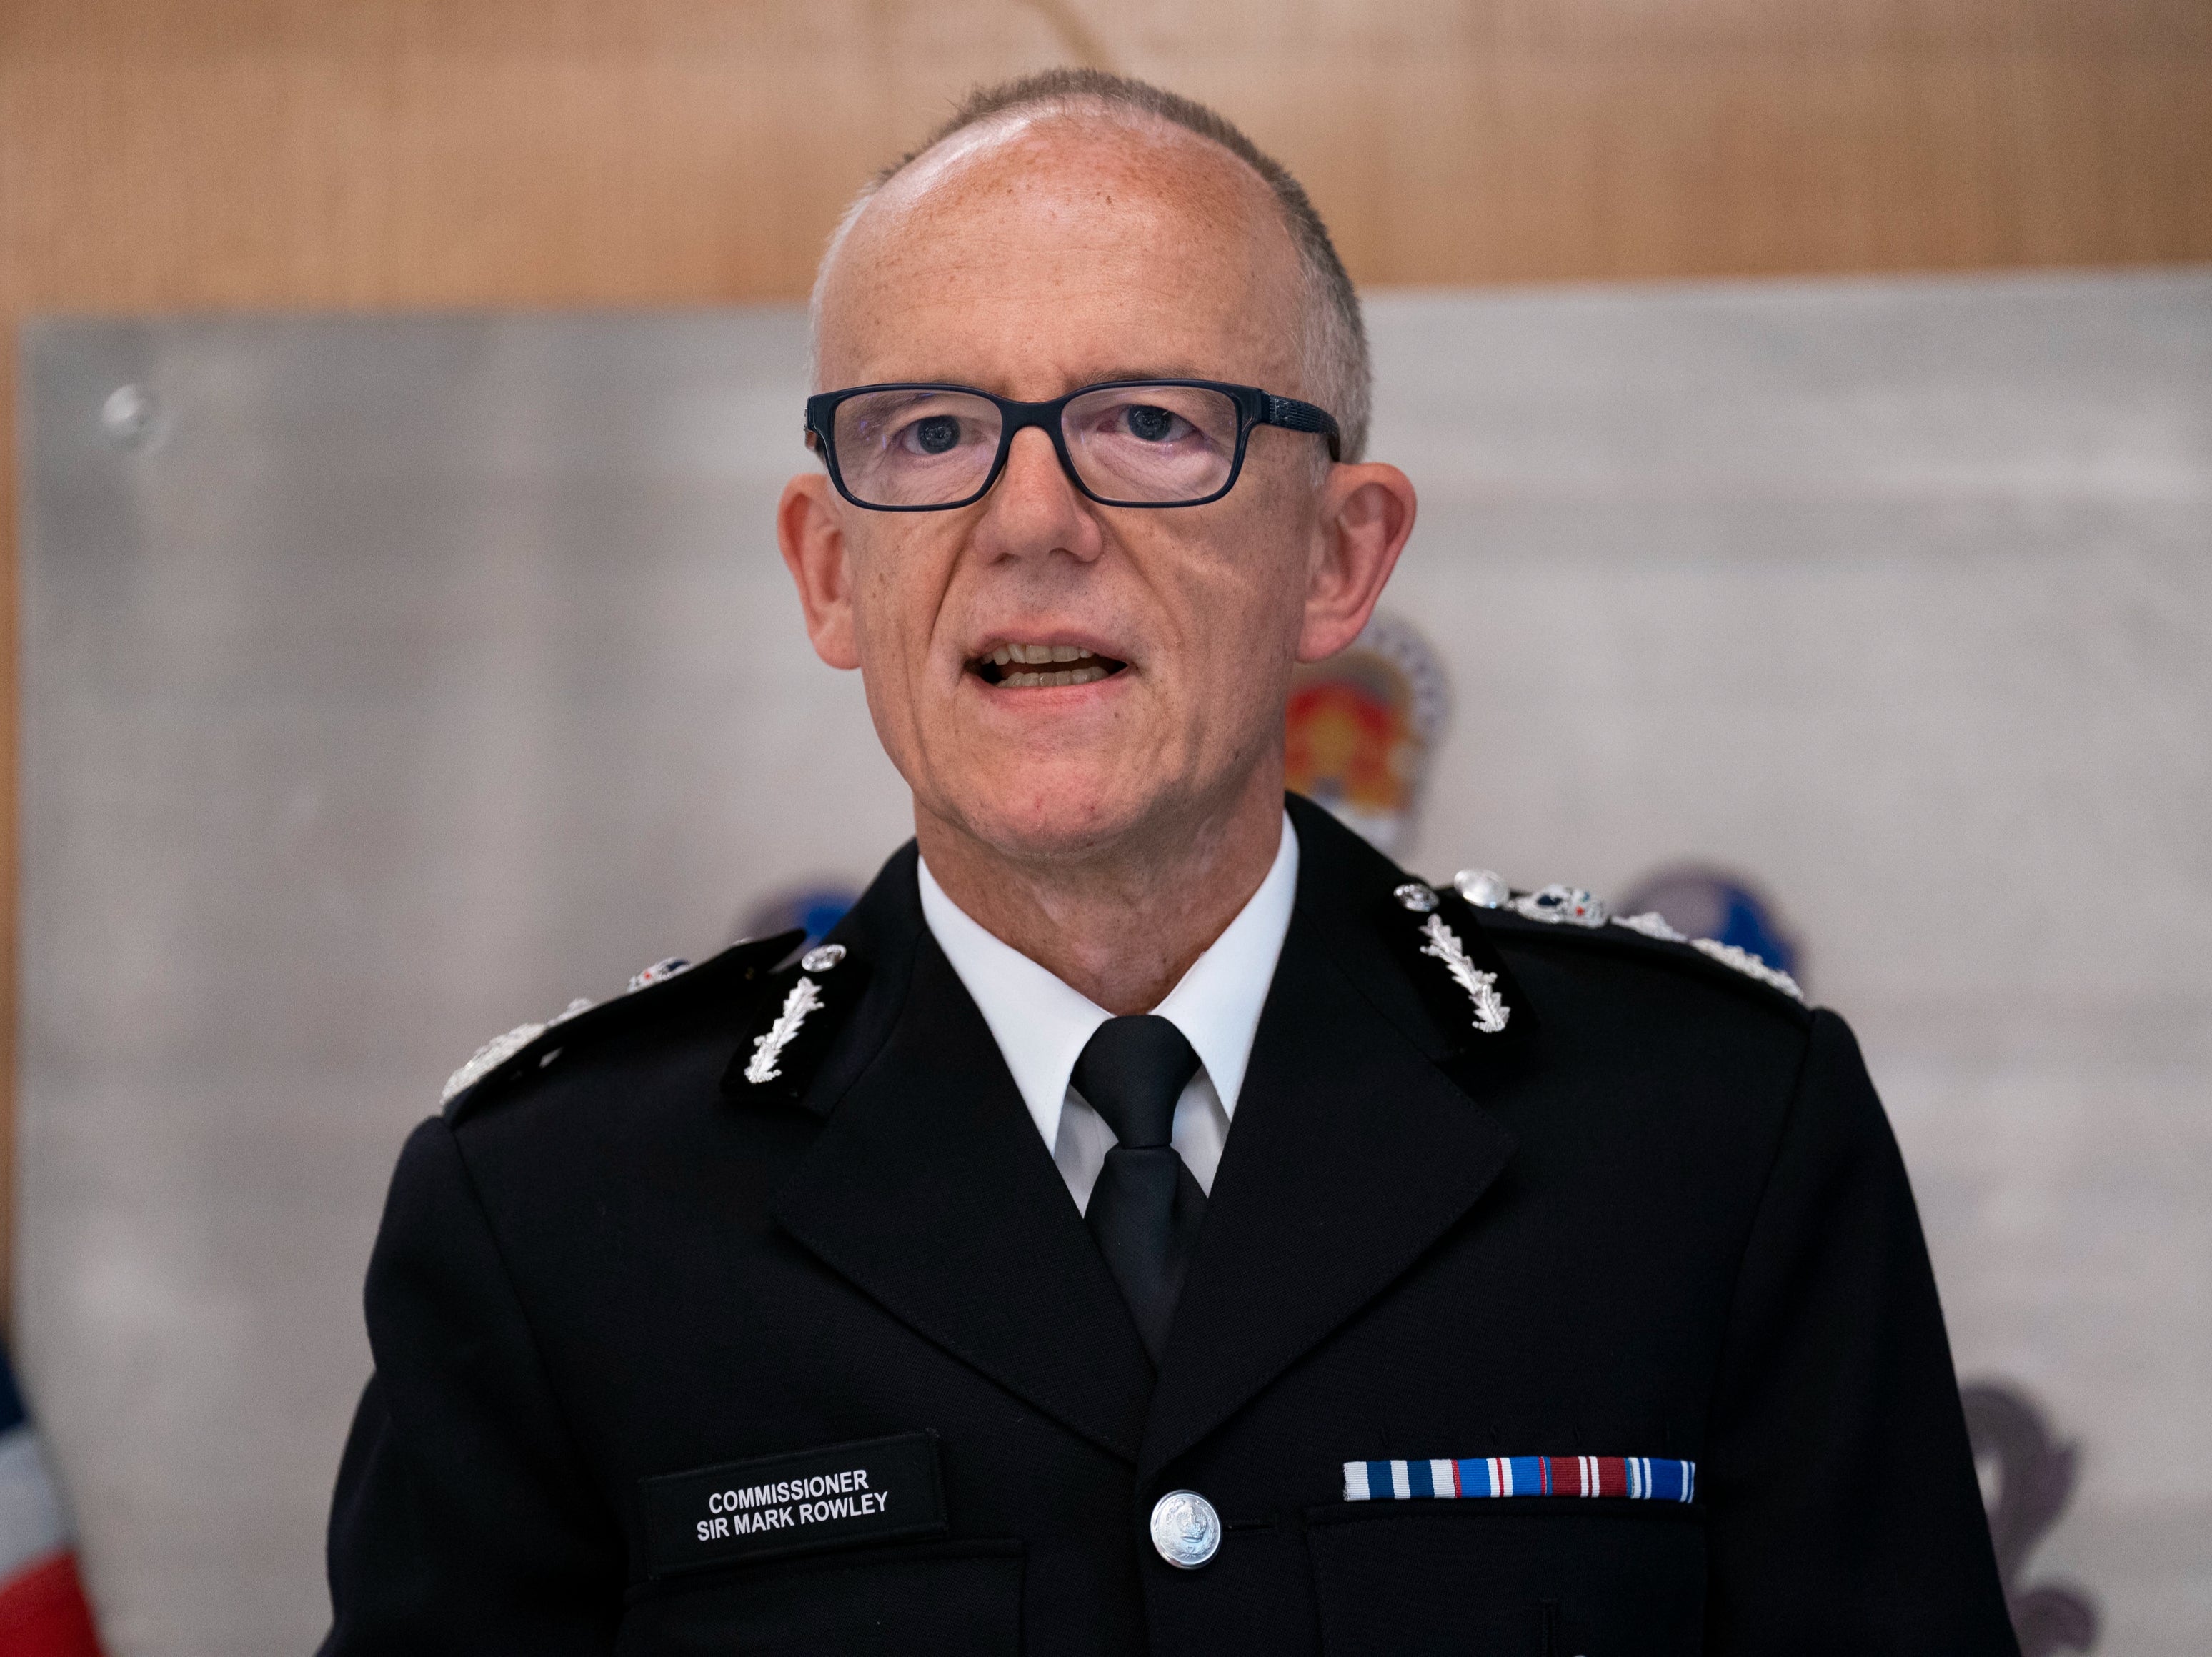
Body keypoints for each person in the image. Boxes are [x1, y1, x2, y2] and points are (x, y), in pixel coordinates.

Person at [319, 69, 2018, 1656]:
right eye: (928, 433)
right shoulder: (555, 1209)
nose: (1033, 519)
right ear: (829, 570)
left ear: (1340, 556)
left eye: (1146, 420)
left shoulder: (1713, 1135)